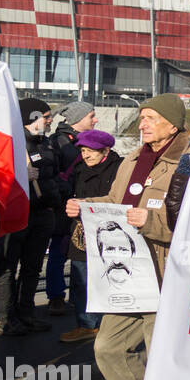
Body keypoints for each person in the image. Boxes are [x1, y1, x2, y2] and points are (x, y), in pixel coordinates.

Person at [63, 94, 190, 380]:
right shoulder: (134, 158)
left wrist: (152, 221)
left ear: (173, 123)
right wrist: (84, 206)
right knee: (108, 348)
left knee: (161, 361)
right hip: (127, 274)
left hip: (166, 274)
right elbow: (116, 203)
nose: (143, 124)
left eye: (151, 117)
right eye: (142, 117)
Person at [0, 98, 61, 336]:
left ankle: (27, 313)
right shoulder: (11, 143)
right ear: (32, 118)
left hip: (44, 213)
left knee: (32, 267)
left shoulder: (47, 144)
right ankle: (6, 318)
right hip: (17, 214)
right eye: (46, 115)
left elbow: (55, 174)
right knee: (8, 267)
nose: (51, 119)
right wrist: (18, 174)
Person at [58, 129, 122, 345]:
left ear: (105, 150)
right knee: (80, 280)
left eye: (90, 151)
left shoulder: (119, 169)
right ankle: (85, 325)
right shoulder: (78, 169)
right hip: (81, 234)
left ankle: (108, 325)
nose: (86, 155)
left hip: (109, 234)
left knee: (109, 278)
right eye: (83, 150)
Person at [45, 100, 97, 315]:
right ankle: (56, 296)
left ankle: (81, 297)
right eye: (91, 116)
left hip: (85, 204)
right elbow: (52, 173)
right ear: (77, 119)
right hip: (64, 205)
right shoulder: (59, 142)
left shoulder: (88, 140)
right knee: (59, 252)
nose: (95, 120)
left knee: (82, 253)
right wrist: (65, 191)